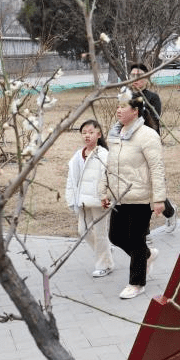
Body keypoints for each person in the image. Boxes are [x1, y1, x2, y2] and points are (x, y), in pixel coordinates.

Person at [100, 94, 167, 299]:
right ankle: (147, 256)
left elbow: (157, 168)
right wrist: (104, 191)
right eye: (117, 106)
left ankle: (137, 283)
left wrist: (159, 199)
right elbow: (108, 165)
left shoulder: (147, 135)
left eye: (123, 107)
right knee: (116, 236)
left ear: (135, 111)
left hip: (140, 196)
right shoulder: (115, 134)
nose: (118, 110)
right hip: (119, 195)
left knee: (136, 239)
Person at [128, 62, 178, 232]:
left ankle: (168, 213)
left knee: (151, 186)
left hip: (148, 146)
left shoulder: (153, 97)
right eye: (133, 75)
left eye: (139, 76)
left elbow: (153, 120)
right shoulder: (125, 96)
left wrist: (140, 103)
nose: (136, 79)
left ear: (146, 78)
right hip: (130, 147)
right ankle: (146, 229)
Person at [65, 119, 114, 278]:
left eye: (91, 132)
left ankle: (104, 264)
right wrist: (72, 198)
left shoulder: (104, 155)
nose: (87, 135)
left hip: (99, 201)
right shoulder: (77, 155)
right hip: (83, 201)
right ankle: (105, 251)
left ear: (98, 134)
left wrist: (106, 196)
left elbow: (109, 178)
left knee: (100, 233)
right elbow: (72, 179)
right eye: (84, 133)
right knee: (82, 231)